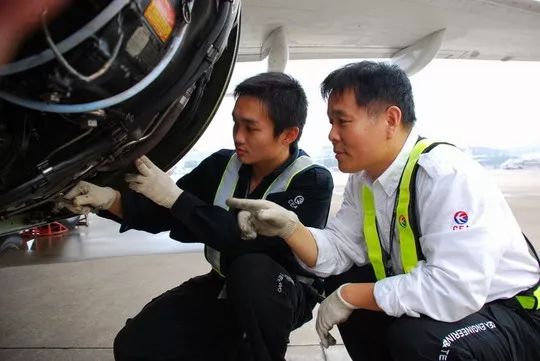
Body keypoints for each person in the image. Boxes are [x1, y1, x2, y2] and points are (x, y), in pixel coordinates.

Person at [227, 61, 540, 361]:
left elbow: (454, 290)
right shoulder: (363, 181)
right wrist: (291, 228)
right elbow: (339, 251)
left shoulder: (444, 175)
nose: (332, 134)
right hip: (462, 308)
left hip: (511, 313)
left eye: (342, 121)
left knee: (421, 340)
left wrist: (352, 295)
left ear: (390, 120)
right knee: (345, 280)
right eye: (331, 122)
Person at [59, 72, 334, 361]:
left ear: (288, 135)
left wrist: (176, 199)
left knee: (253, 271)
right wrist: (109, 199)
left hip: (281, 292)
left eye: (251, 128)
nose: (238, 136)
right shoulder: (221, 165)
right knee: (136, 345)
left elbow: (250, 242)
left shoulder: (311, 181)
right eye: (236, 123)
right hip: (223, 284)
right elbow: (171, 215)